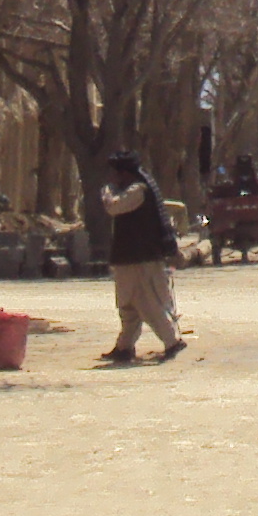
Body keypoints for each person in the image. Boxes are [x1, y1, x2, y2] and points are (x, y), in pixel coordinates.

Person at [99, 149, 184, 363]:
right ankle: (124, 347)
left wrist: (107, 191)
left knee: (148, 304)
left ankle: (172, 342)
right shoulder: (134, 188)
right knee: (128, 307)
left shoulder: (137, 191)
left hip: (141, 258)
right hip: (128, 258)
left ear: (124, 173)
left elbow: (113, 207)